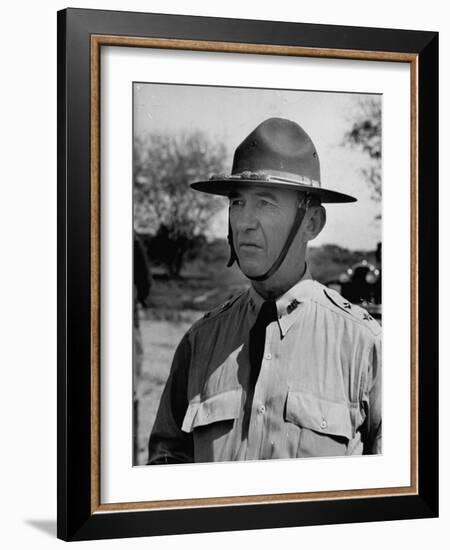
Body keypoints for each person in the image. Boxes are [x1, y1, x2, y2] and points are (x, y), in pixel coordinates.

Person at [147, 117, 381, 464]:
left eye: (266, 203)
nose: (244, 221)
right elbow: (165, 465)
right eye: (237, 203)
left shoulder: (364, 346)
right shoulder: (200, 342)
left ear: (312, 223)